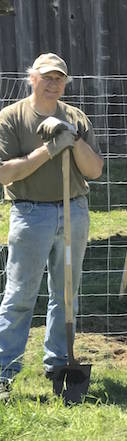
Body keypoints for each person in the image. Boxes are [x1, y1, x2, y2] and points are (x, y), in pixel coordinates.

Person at [0, 53, 103, 400]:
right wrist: (49, 149)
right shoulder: (12, 118)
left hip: (73, 210)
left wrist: (73, 140)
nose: (53, 83)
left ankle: (59, 363)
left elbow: (94, 171)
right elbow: (5, 173)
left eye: (59, 78)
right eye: (47, 77)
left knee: (66, 295)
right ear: (32, 78)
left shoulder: (75, 117)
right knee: (20, 296)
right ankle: (3, 371)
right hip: (31, 214)